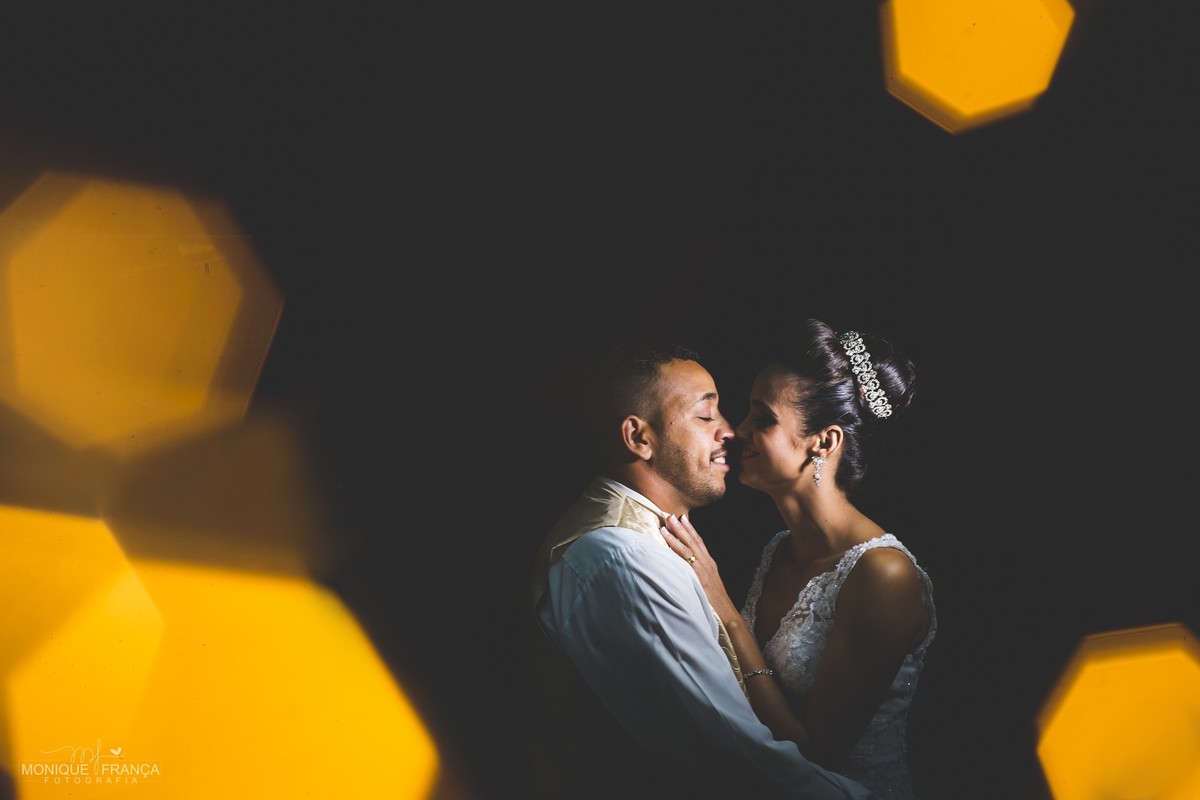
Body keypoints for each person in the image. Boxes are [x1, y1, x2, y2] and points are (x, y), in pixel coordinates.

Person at [527, 338, 875, 799]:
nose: (730, 431)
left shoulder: (653, 540)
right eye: (706, 415)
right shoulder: (625, 558)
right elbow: (742, 760)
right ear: (639, 438)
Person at [659, 319, 936, 800]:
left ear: (824, 442)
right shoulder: (779, 548)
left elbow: (816, 757)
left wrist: (726, 612)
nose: (736, 431)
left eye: (762, 419)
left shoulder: (884, 575)